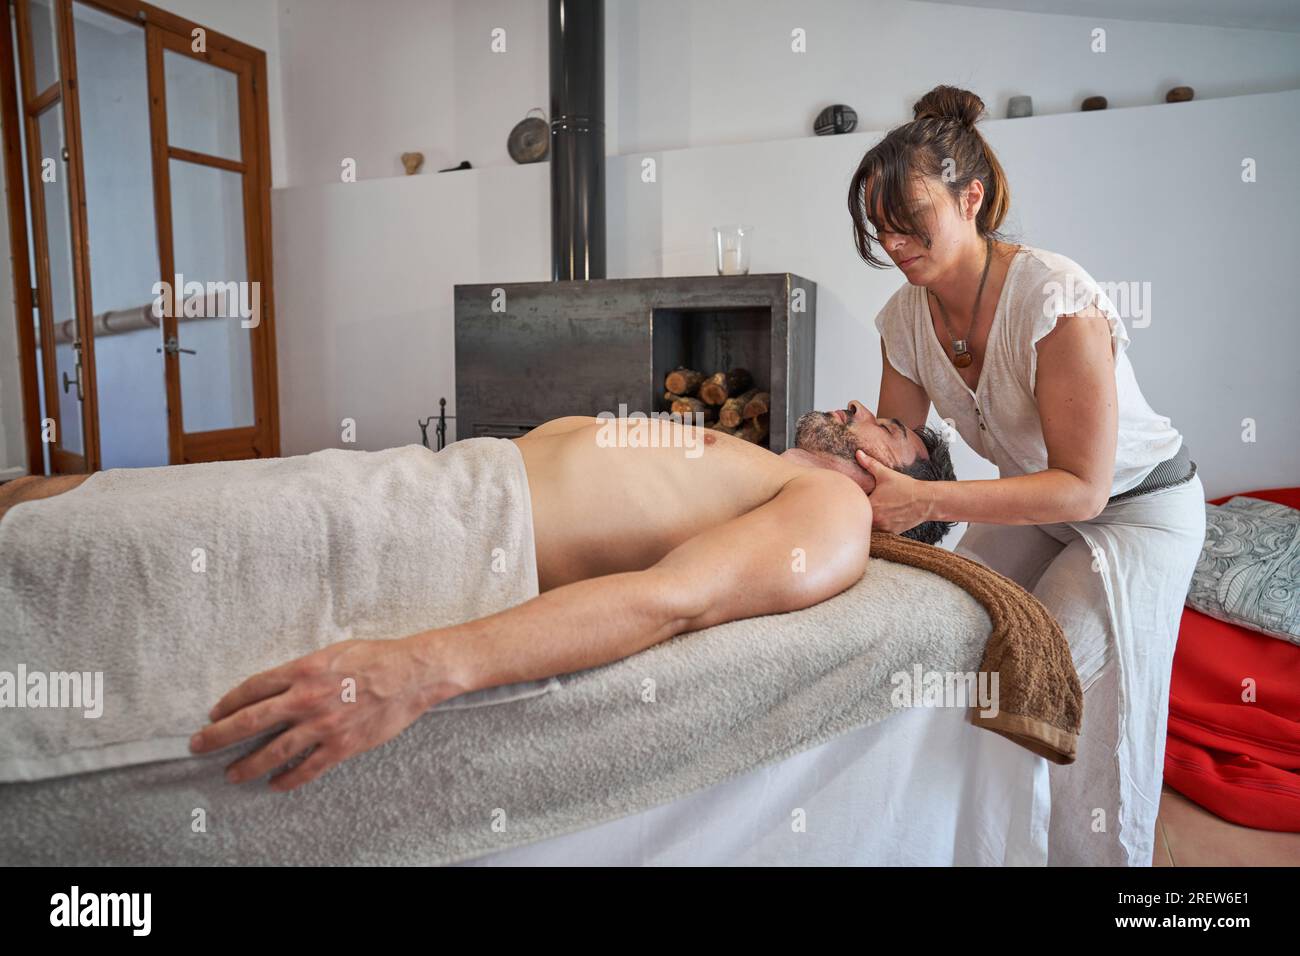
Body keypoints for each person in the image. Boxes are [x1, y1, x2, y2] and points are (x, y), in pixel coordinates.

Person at [1, 404, 955, 789]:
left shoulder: (834, 510)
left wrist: (424, 669)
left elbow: (675, 600)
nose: (858, 409)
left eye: (888, 427)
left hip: (434, 535)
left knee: (96, 549)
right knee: (77, 505)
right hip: (424, 482)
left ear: (900, 490)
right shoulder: (772, 465)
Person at [847, 84, 1206, 865]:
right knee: (947, 638)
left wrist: (929, 498)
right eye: (881, 231)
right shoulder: (902, 319)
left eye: (911, 224)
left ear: (969, 197)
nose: (896, 245)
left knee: (1044, 674)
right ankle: (976, 843)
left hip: (1136, 512)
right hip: (1036, 507)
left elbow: (1083, 486)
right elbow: (908, 441)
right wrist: (865, 450)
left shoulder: (1054, 299)